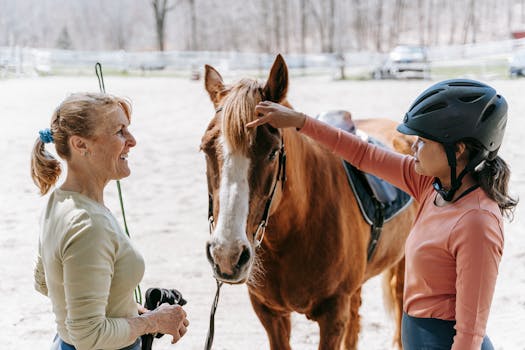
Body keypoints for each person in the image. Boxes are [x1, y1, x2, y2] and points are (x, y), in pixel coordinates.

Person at [246, 79, 517, 350]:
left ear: (457, 150)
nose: (413, 147)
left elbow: (470, 332)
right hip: (418, 335)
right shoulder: (431, 185)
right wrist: (299, 121)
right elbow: (363, 154)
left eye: (423, 141)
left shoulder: (477, 223)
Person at [31, 93, 189, 350]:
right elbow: (89, 335)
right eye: (119, 131)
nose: (132, 141)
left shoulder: (59, 202)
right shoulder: (88, 224)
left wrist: (123, 306)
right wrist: (153, 321)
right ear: (81, 145)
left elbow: (46, 281)